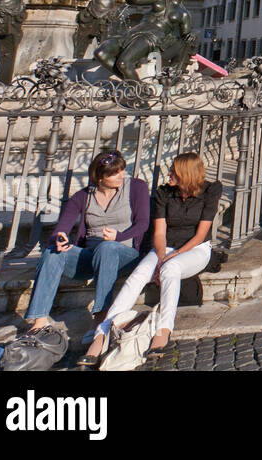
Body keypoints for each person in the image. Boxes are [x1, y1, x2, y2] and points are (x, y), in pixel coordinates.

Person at [82, 153, 223, 365]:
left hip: (196, 249)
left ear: (186, 174)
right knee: (139, 273)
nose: (168, 174)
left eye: (173, 171)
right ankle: (102, 333)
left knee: (171, 268)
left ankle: (163, 329)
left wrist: (171, 257)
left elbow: (200, 235)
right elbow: (159, 233)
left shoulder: (210, 192)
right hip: (165, 247)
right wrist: (160, 257)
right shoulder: (164, 193)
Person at [23, 150, 149, 335]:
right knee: (52, 252)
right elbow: (62, 228)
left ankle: (100, 317)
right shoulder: (82, 197)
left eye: (122, 169)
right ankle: (39, 321)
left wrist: (119, 237)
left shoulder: (136, 187)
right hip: (91, 257)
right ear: (100, 178)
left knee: (107, 247)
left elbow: (143, 224)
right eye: (114, 173)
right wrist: (59, 239)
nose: (121, 175)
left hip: (124, 255)